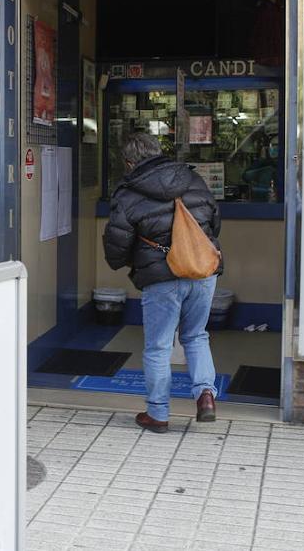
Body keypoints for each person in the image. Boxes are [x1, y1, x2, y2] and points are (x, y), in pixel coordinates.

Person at [103, 131, 223, 433]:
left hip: (161, 276)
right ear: (158, 151)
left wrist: (121, 262)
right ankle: (205, 395)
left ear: (130, 162)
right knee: (196, 336)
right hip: (202, 269)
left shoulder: (128, 192)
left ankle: (158, 414)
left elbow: (117, 243)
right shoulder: (193, 179)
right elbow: (214, 220)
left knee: (158, 347)